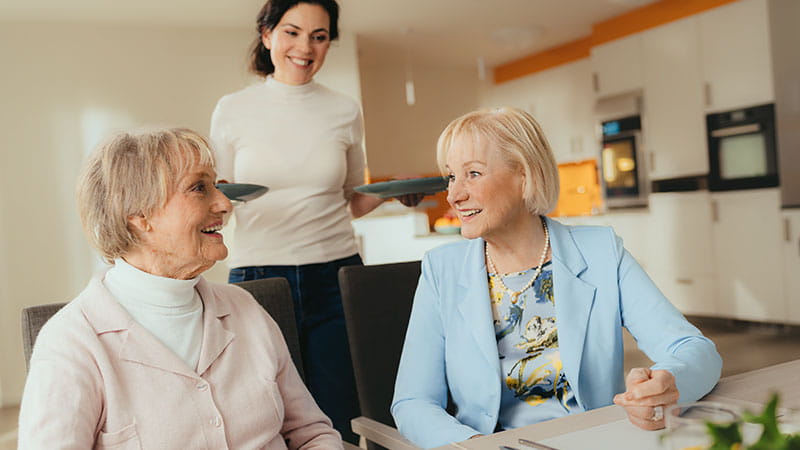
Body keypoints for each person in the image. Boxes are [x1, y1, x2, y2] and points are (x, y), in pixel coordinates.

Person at [390, 107, 723, 449]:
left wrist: (668, 384)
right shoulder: (441, 270)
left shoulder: (601, 252)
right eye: (450, 177)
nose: (453, 195)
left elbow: (694, 349)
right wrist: (474, 445)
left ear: (524, 175)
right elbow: (413, 402)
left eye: (472, 174)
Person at [17, 128, 343, 449]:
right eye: (199, 188)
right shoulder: (72, 344)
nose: (225, 204)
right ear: (138, 215)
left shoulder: (245, 308)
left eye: (216, 186)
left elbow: (311, 433)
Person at [209, 0, 420, 442]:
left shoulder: (344, 110)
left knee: (340, 418)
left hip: (335, 275)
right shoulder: (232, 109)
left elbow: (351, 201)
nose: (305, 47)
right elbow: (220, 199)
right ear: (267, 35)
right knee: (262, 416)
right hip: (258, 277)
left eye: (319, 37)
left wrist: (390, 192)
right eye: (292, 32)